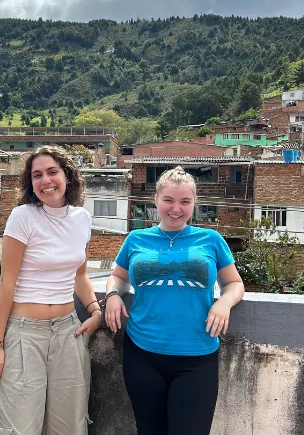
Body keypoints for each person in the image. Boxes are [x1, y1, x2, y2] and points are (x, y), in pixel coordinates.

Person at [103, 167, 244, 435]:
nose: (175, 209)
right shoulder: (136, 239)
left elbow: (234, 284)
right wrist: (112, 295)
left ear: (194, 204)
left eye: (184, 202)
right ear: (156, 200)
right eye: (168, 200)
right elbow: (118, 277)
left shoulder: (211, 240)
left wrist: (224, 303)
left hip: (197, 355)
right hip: (142, 352)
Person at [0, 145, 99, 435]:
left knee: (70, 426)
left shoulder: (82, 219)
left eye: (52, 172)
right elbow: (7, 283)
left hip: (68, 332)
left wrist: (96, 310)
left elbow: (80, 276)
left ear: (67, 177)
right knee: (19, 427)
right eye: (37, 175)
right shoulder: (23, 217)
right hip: (25, 334)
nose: (46, 181)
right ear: (30, 183)